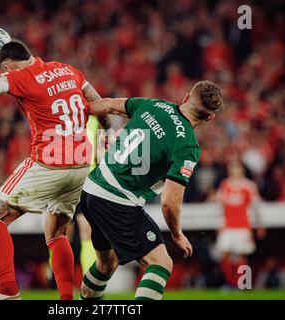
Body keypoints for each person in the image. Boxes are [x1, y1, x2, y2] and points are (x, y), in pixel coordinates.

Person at [0, 31, 104, 300]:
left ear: (6, 66)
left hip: (49, 162)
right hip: (80, 165)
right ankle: (66, 301)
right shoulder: (66, 70)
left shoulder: (21, 77)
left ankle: (8, 292)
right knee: (56, 232)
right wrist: (106, 137)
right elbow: (97, 103)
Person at [78, 81, 224, 300]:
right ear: (210, 118)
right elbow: (169, 202)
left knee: (106, 264)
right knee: (161, 263)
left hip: (91, 190)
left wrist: (92, 121)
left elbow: (104, 105)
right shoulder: (187, 145)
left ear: (186, 97)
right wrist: (177, 234)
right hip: (117, 200)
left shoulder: (155, 105)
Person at [215, 160, 265, 286]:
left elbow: (256, 206)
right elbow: (220, 206)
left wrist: (259, 224)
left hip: (243, 225)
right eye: (232, 168)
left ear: (241, 169)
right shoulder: (224, 184)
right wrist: (219, 223)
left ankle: (243, 284)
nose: (234, 170)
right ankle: (230, 283)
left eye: (236, 167)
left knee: (242, 256)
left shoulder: (249, 185)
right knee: (224, 255)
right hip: (227, 226)